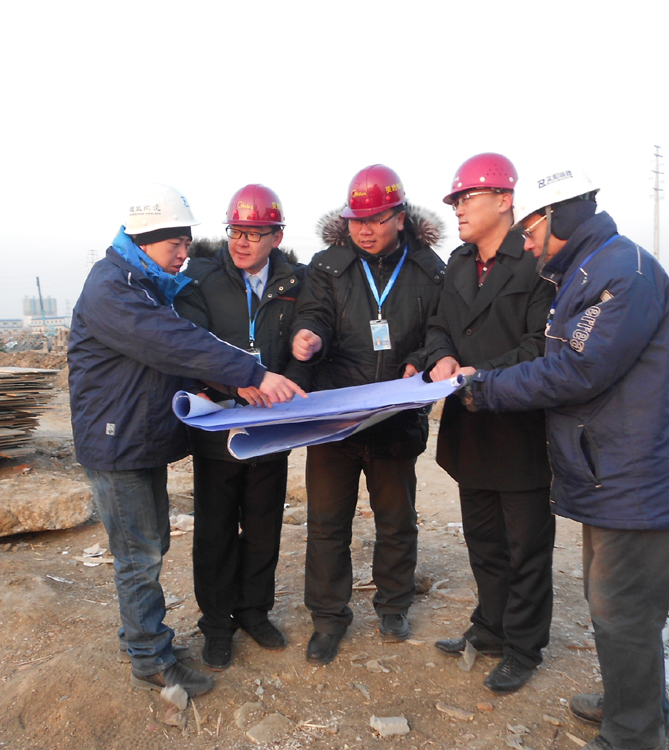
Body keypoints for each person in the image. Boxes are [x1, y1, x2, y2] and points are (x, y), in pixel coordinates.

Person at [456, 166, 669, 750]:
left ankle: (633, 736)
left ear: (560, 215)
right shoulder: (588, 270)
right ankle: (634, 704)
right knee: (610, 602)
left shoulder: (622, 272)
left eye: (531, 228)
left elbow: (576, 369)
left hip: (632, 473)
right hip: (606, 467)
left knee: (623, 608)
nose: (525, 242)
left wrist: (486, 386)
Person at [68, 184, 306, 699]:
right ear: (146, 239)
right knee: (140, 554)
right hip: (116, 442)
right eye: (175, 243)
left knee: (149, 545)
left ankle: (139, 637)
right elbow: (174, 341)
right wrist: (251, 374)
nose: (184, 253)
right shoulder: (114, 287)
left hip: (136, 438)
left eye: (186, 242)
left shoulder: (143, 281)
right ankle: (151, 660)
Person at [291, 165, 445, 664]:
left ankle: (394, 605)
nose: (365, 229)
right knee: (326, 523)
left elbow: (441, 330)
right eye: (357, 220)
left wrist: (421, 360)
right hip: (335, 418)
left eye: (376, 219)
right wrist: (309, 336)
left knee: (396, 520)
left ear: (399, 217)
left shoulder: (429, 269)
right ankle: (327, 618)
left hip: (395, 418)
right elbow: (313, 313)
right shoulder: (328, 265)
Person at [425, 153, 555, 694]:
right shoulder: (457, 264)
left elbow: (540, 345)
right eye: (455, 200)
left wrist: (483, 374)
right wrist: (441, 357)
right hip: (469, 426)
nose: (458, 208)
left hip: (518, 425)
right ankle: (490, 626)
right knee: (483, 538)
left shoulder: (535, 262)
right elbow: (438, 324)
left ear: (505, 200)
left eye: (467, 198)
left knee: (525, 546)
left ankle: (524, 647)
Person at [174, 184, 311, 671]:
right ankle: (216, 624)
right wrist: (236, 381)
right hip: (218, 427)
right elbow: (190, 344)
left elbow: (308, 339)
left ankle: (254, 611)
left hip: (271, 428)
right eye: (236, 231)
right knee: (214, 529)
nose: (242, 242)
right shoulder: (202, 279)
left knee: (262, 525)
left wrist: (290, 383)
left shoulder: (295, 282)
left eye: (254, 233)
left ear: (276, 237)